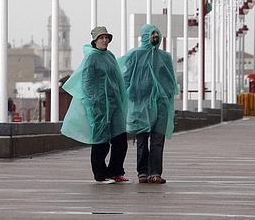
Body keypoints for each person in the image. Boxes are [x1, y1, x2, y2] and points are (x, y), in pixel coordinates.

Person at [61, 26, 129, 184]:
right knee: (101, 141)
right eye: (101, 38)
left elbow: (117, 79)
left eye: (106, 37)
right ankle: (100, 174)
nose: (105, 40)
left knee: (120, 140)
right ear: (95, 41)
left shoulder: (110, 56)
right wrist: (94, 102)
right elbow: (86, 82)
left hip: (114, 105)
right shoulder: (91, 58)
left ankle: (115, 172)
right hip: (99, 106)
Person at [119, 24, 178, 184]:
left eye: (157, 34)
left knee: (158, 140)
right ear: (145, 36)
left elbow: (171, 80)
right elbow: (126, 77)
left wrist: (166, 95)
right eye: (152, 34)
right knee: (142, 140)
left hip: (160, 105)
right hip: (140, 105)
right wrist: (125, 96)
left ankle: (156, 173)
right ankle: (142, 172)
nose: (155, 37)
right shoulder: (136, 55)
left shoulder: (164, 57)